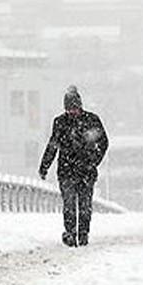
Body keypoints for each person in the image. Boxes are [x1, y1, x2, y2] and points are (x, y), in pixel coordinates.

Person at [39, 85, 109, 247]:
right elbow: (53, 145)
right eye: (69, 109)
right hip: (66, 171)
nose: (72, 112)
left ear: (80, 106)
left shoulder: (92, 120)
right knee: (69, 204)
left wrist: (93, 161)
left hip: (86, 171)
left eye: (74, 108)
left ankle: (83, 234)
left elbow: (103, 142)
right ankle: (70, 233)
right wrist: (45, 166)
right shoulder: (60, 122)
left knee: (84, 205)